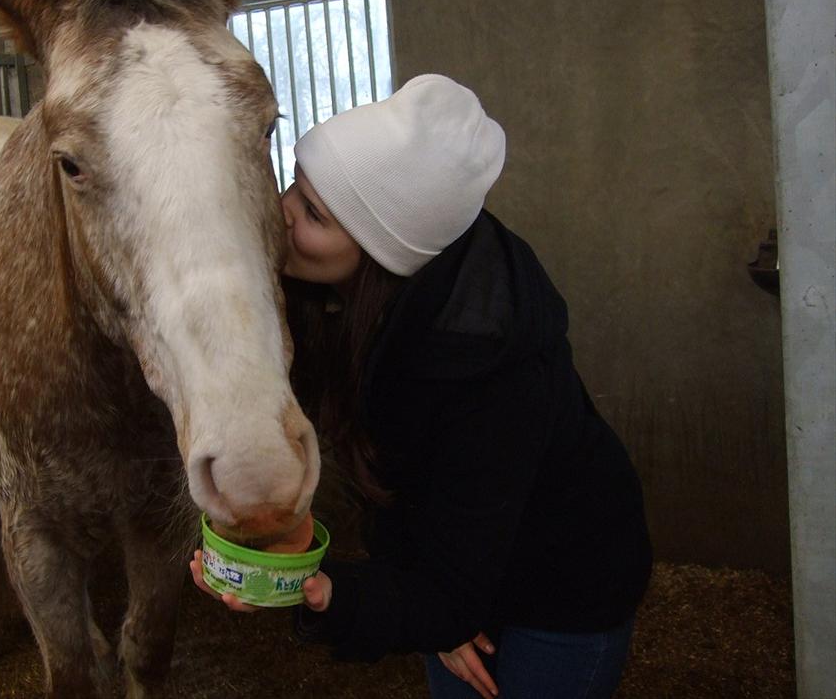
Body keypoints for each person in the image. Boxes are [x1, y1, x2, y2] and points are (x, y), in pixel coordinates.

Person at [189, 74, 652, 698]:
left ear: (381, 251)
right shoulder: (344, 298)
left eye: (313, 214)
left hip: (564, 589)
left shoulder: (492, 370)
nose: (280, 214)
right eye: (294, 188)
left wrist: (328, 591)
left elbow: (448, 585)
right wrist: (301, 559)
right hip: (446, 566)